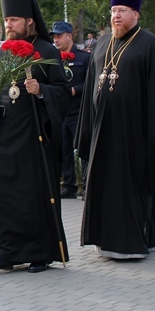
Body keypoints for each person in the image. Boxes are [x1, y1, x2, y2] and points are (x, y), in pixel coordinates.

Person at [76, 0, 155, 260]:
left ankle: (132, 243)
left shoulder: (150, 45)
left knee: (130, 187)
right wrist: (86, 130)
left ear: (136, 15)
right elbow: (91, 86)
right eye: (113, 10)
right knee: (104, 185)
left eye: (122, 10)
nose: (116, 16)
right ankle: (105, 240)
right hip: (102, 130)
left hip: (133, 133)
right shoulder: (103, 43)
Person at [0, 0, 71, 273]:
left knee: (33, 195)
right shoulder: (1, 51)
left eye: (13, 19)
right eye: (6, 19)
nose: (8, 24)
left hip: (34, 136)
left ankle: (39, 254)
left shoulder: (45, 50)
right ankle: (2, 253)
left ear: (29, 21)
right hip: (4, 136)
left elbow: (64, 93)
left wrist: (42, 91)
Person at [49, 21, 91, 199]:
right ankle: (69, 184)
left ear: (69, 35)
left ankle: (88, 184)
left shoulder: (84, 57)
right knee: (63, 150)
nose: (56, 40)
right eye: (54, 37)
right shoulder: (53, 58)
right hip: (61, 112)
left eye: (59, 36)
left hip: (78, 110)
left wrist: (75, 90)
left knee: (83, 148)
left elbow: (91, 81)